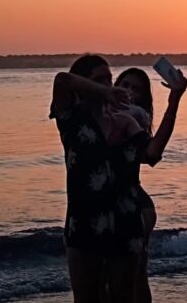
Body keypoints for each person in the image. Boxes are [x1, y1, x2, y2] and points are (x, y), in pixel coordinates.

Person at [49, 55, 149, 303]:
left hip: (124, 222)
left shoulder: (124, 121)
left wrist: (174, 100)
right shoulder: (71, 118)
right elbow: (62, 80)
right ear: (84, 84)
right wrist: (104, 92)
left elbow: (152, 153)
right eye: (99, 80)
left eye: (109, 79)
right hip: (84, 224)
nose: (109, 85)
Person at [114, 67, 187, 303]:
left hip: (135, 206)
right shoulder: (102, 117)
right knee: (124, 278)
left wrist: (174, 100)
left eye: (136, 89)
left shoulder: (135, 121)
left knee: (134, 277)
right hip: (114, 206)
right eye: (125, 85)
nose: (129, 91)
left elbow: (153, 153)